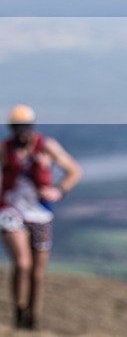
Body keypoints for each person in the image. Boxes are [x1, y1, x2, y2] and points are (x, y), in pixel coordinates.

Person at [0, 104, 82, 330]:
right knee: (23, 263)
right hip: (11, 210)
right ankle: (19, 310)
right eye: (17, 127)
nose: (21, 131)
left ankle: (31, 319)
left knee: (37, 272)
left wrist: (59, 190)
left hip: (40, 213)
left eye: (24, 126)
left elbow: (74, 170)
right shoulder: (5, 149)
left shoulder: (46, 147)